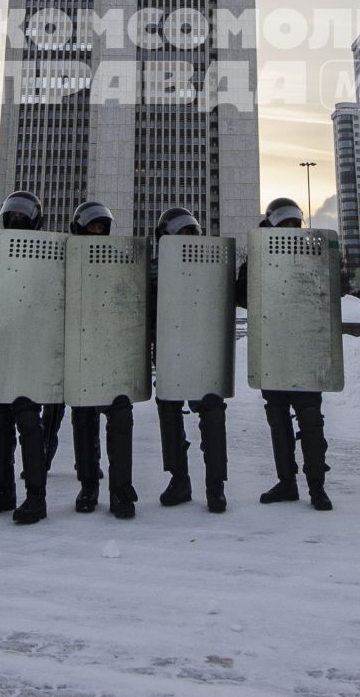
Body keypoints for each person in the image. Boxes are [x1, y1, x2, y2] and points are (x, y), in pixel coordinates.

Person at [244, 197, 334, 511]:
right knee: (278, 420)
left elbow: (326, 290)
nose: (292, 229)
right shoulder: (257, 252)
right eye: (285, 224)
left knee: (311, 421)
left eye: (296, 224)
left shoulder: (313, 250)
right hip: (274, 348)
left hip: (305, 349)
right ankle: (287, 481)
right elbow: (243, 294)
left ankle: (317, 487)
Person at [0, 190, 54, 526]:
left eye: (23, 213)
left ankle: (36, 495)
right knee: (0, 420)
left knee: (28, 421)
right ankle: (3, 488)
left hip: (32, 348)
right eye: (13, 213)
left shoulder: (49, 250)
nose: (17, 218)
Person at [64, 200, 139, 519]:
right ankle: (88, 484)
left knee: (120, 418)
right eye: (91, 226)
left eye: (101, 227)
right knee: (83, 420)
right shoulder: (65, 257)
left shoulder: (121, 257)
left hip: (115, 351)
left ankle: (121, 489)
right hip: (80, 349)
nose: (97, 231)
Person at [151, 206, 227, 513]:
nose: (185, 239)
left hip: (203, 352)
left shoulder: (210, 262)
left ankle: (215, 486)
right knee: (169, 415)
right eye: (179, 233)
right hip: (170, 350)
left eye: (189, 233)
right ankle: (179, 479)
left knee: (212, 414)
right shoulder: (154, 268)